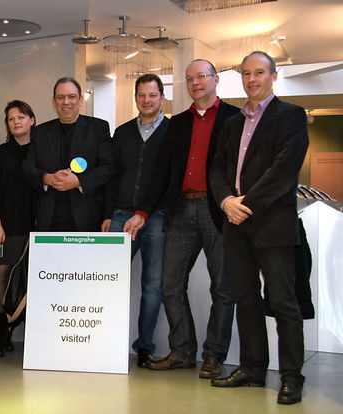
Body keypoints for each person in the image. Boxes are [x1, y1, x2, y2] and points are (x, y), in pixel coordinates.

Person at [125, 59, 238, 379]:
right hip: (181, 211)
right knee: (169, 285)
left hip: (219, 211)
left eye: (201, 77)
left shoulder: (233, 118)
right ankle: (183, 351)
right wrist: (143, 212)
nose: (196, 83)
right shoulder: (177, 124)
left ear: (215, 80)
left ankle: (214, 355)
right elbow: (161, 173)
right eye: (189, 79)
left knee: (223, 289)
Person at [209, 51, 309, 405]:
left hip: (272, 226)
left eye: (260, 73)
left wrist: (243, 205)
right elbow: (217, 170)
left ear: (274, 75)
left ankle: (292, 377)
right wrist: (225, 202)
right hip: (234, 226)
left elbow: (283, 171)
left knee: (283, 304)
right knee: (246, 301)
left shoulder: (292, 116)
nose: (253, 79)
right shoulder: (233, 122)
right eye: (247, 73)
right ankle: (253, 368)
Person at [103, 74, 170, 368]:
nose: (147, 100)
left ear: (161, 97)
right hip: (119, 215)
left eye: (152, 95)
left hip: (156, 218)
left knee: (153, 286)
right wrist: (106, 214)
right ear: (135, 97)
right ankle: (104, 341)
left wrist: (144, 212)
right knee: (108, 281)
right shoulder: (123, 132)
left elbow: (169, 180)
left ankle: (144, 346)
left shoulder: (172, 131)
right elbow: (111, 176)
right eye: (142, 95)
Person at [23, 77, 115, 231]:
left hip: (88, 218)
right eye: (61, 97)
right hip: (49, 220)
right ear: (54, 102)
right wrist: (47, 178)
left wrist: (79, 181)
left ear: (80, 100)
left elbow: (109, 167)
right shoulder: (40, 133)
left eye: (72, 97)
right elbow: (27, 168)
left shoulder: (98, 128)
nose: (66, 102)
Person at [0, 100, 37, 357]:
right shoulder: (0, 153)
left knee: (27, 283)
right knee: (0, 278)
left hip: (35, 228)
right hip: (3, 228)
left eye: (21, 117)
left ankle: (11, 332)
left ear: (32, 120)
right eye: (11, 119)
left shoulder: (42, 151)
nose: (16, 122)